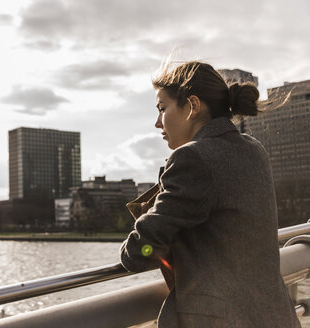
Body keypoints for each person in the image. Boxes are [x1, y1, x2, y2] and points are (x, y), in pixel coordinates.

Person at [119, 61, 300, 327]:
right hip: (274, 316)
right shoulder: (253, 149)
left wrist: (142, 244)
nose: (158, 123)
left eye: (162, 109)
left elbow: (138, 253)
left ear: (192, 106)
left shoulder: (192, 158)